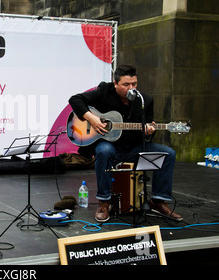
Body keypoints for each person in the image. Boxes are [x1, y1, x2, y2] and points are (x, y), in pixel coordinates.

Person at [69, 64, 182, 223]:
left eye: (134, 84)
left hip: (134, 147)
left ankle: (157, 201)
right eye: (126, 84)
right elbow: (75, 99)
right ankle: (104, 201)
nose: (131, 88)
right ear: (115, 84)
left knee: (168, 154)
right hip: (110, 146)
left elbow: (148, 129)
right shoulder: (104, 92)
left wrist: (149, 132)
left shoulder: (145, 100)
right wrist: (92, 119)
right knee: (104, 150)